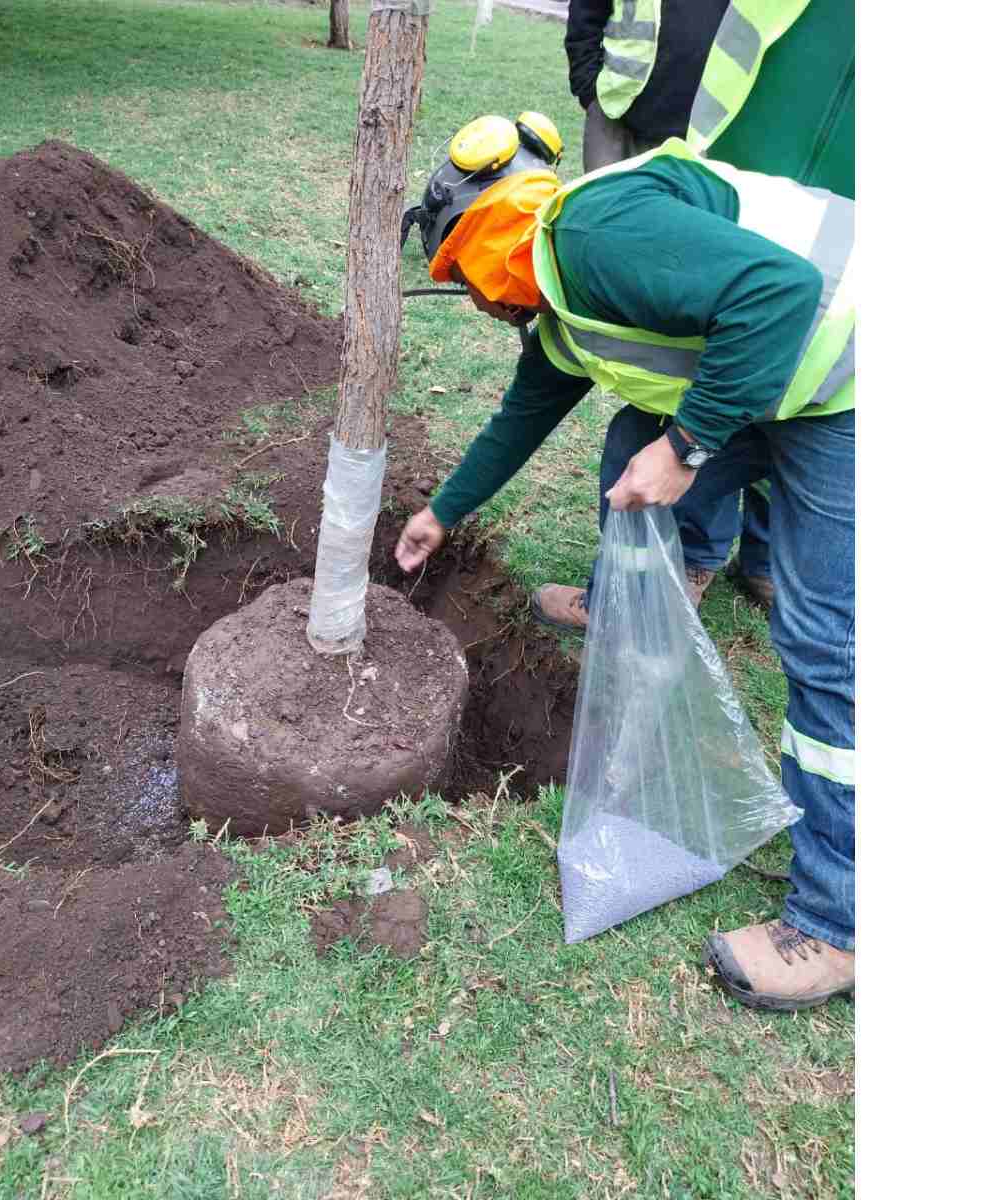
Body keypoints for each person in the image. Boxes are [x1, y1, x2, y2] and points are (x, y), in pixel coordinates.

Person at [394, 128, 855, 1011]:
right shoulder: (563, 302)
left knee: (825, 644)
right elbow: (521, 417)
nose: (477, 302)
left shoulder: (594, 238)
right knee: (627, 440)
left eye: (463, 277)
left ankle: (837, 925)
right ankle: (638, 604)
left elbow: (783, 291)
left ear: (485, 244)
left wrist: (687, 447)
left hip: (847, 375)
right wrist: (439, 515)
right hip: (773, 373)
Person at [562, 0, 774, 616]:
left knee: (739, 398)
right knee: (673, 404)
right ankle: (689, 562)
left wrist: (687, 445)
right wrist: (591, 85)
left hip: (735, 146)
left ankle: (717, 558)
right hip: (642, 122)